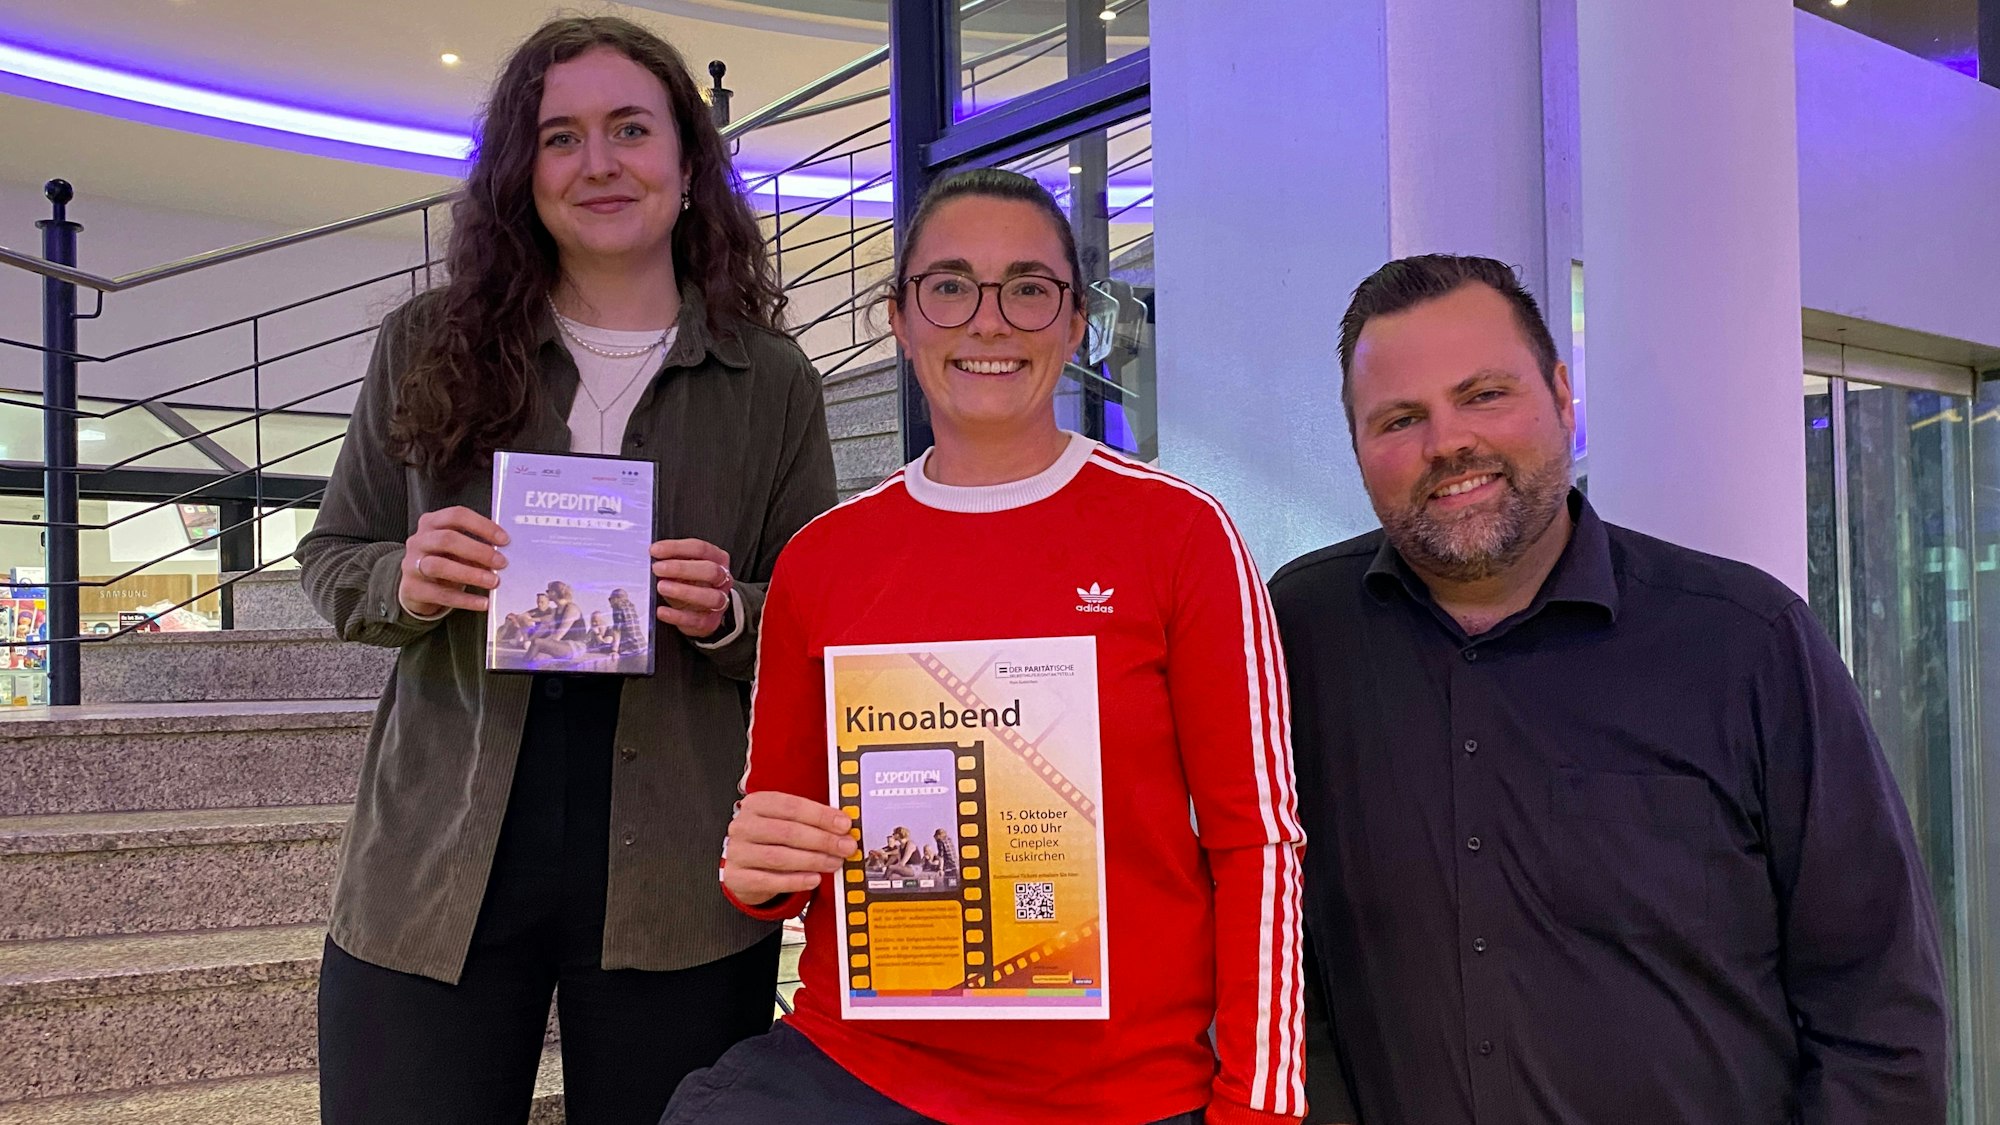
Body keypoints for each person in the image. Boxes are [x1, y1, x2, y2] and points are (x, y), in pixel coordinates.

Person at [663, 167, 1305, 1125]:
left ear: (1076, 322)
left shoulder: (1180, 533)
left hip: (1118, 1088)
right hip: (866, 1065)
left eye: (1029, 288)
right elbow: (781, 853)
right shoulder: (821, 561)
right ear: (900, 317)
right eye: (951, 285)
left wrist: (1258, 1104)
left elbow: (1259, 843)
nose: (989, 320)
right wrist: (753, 869)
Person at [296, 16, 836, 1125]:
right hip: (440, 847)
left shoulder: (770, 380)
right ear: (520, 173)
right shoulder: (425, 342)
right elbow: (331, 556)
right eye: (560, 137)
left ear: (688, 165)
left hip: (679, 857)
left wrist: (730, 612)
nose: (598, 163)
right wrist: (405, 576)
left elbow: (812, 615)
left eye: (630, 129)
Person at [1269, 254, 1949, 1125]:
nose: (1447, 444)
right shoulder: (1296, 636)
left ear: (1561, 394)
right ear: (1358, 447)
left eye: (1483, 394)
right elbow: (1281, 970)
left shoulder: (1746, 641)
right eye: (1400, 418)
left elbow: (1881, 1008)